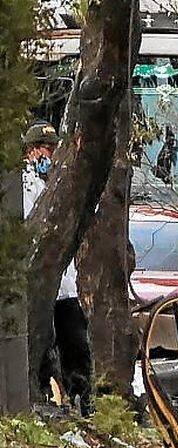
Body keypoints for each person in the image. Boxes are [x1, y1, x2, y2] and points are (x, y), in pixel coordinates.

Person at [23, 122, 94, 414]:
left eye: (54, 149)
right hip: (39, 286)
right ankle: (45, 398)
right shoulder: (24, 186)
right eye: (45, 149)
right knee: (42, 347)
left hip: (65, 287)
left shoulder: (57, 183)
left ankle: (82, 399)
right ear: (30, 151)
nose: (50, 155)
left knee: (76, 344)